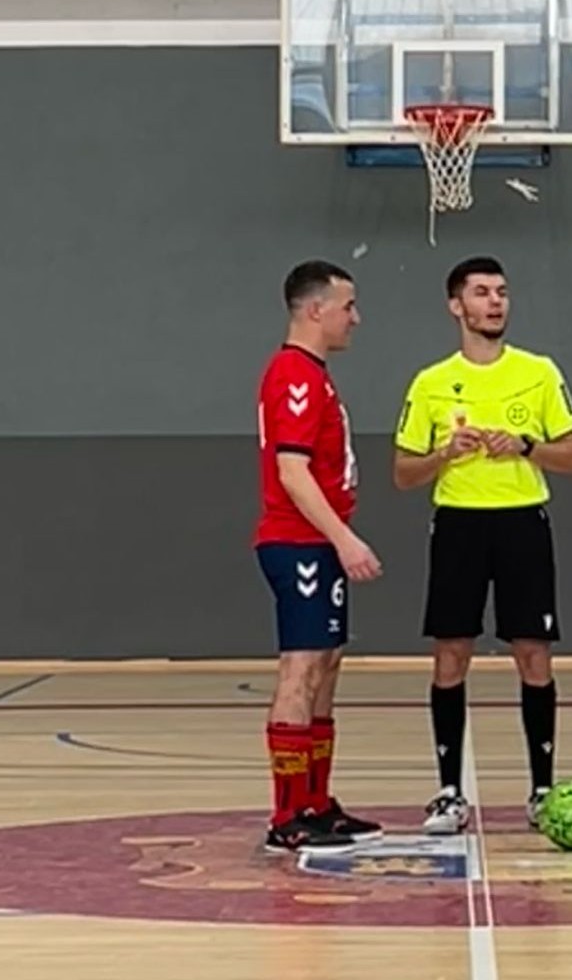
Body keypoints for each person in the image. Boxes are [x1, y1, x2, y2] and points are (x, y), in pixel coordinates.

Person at [392, 255, 572, 834]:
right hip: (459, 525)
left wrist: (525, 445)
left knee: (533, 652)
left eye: (501, 291)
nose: (495, 301)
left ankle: (542, 789)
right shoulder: (430, 383)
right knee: (451, 653)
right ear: (456, 306)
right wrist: (444, 454)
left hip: (523, 522)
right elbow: (403, 473)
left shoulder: (539, 371)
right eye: (481, 292)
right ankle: (449, 792)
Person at [254, 259, 384, 853]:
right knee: (301, 668)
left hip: (316, 545)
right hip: (298, 542)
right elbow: (292, 470)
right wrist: (343, 539)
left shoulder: (313, 374)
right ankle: (287, 815)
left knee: (326, 664)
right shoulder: (294, 375)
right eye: (347, 306)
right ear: (315, 310)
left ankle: (315, 801)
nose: (356, 318)